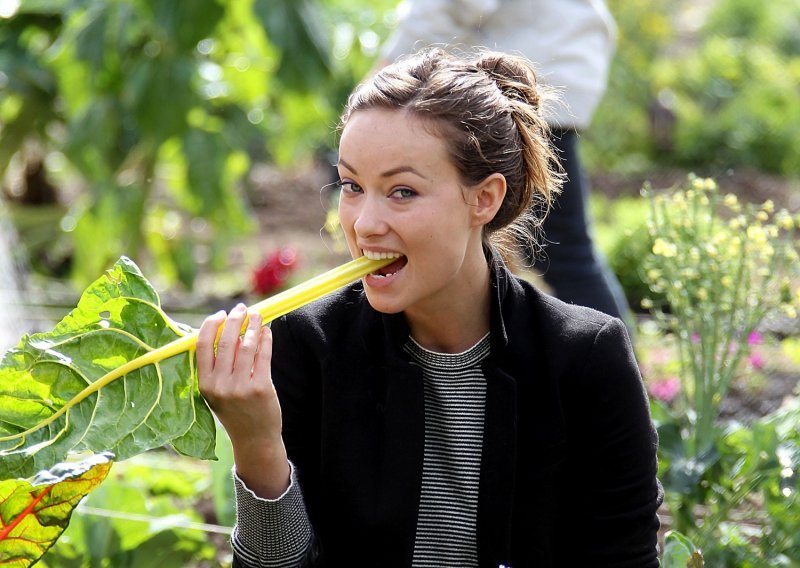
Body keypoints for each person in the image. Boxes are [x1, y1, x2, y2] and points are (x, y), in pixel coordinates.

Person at [197, 48, 662, 567]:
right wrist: (257, 446)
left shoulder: (585, 358)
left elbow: (625, 557)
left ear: (483, 199)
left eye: (401, 192)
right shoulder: (310, 345)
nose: (365, 223)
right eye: (352, 186)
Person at [376, 0, 633, 327]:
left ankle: (615, 372)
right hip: (554, 74)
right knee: (528, 253)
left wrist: (387, 71)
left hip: (518, 93)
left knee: (562, 254)